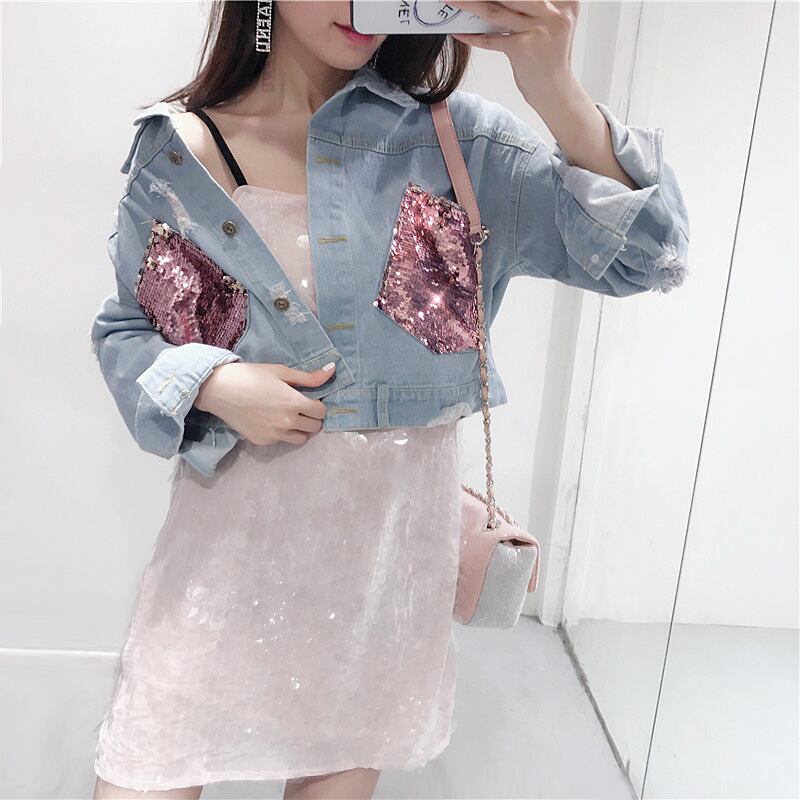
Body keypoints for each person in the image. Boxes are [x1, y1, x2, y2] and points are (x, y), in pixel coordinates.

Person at [89, 1, 689, 798]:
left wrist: (554, 87)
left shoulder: (461, 145)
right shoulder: (183, 149)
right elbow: (128, 329)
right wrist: (212, 382)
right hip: (219, 572)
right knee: (144, 766)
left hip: (378, 588)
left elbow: (649, 257)